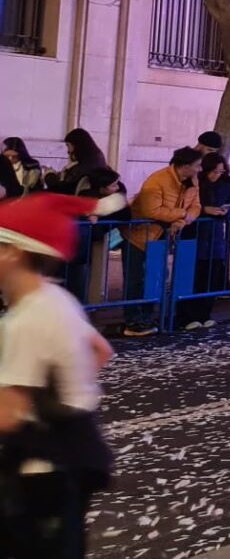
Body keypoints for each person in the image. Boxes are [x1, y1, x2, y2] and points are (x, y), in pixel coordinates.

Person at [0, 192, 121, 558]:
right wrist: (68, 388)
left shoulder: (24, 321)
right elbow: (101, 350)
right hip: (75, 455)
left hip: (39, 472)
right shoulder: (57, 298)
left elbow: (6, 416)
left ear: (13, 253)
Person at [123, 147, 204, 336]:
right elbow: (152, 211)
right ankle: (133, 321)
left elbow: (196, 206)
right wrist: (182, 214)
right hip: (139, 235)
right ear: (185, 166)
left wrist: (182, 221)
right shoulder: (157, 181)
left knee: (156, 277)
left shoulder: (192, 181)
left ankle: (148, 317)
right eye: (197, 165)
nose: (200, 169)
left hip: (162, 235)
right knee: (135, 279)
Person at [177, 153, 230, 330]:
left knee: (211, 278)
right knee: (193, 277)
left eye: (220, 172)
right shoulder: (194, 184)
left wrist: (226, 212)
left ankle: (204, 314)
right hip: (194, 234)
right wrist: (204, 210)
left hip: (215, 237)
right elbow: (185, 206)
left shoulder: (226, 185)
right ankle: (186, 316)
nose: (217, 175)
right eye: (214, 171)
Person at [40, 129, 106, 197]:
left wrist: (48, 174)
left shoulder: (84, 166)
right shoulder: (94, 159)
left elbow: (61, 189)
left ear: (76, 145)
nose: (68, 151)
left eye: (68, 146)